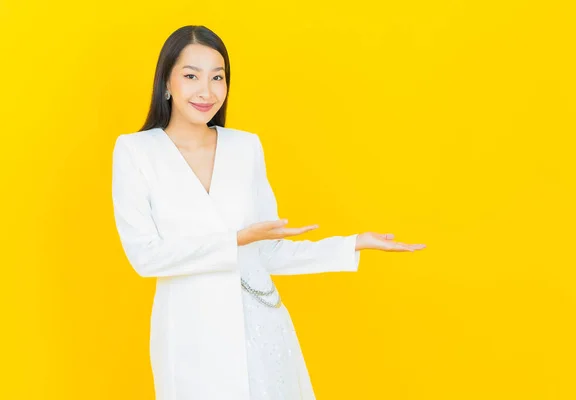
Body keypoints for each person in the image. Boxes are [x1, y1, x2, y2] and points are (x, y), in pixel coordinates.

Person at [111, 25, 426, 400]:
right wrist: (236, 240)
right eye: (191, 76)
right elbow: (146, 258)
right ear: (167, 81)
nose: (206, 91)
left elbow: (268, 251)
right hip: (190, 334)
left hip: (259, 327)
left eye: (218, 77)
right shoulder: (136, 152)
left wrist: (352, 244)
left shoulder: (245, 148)